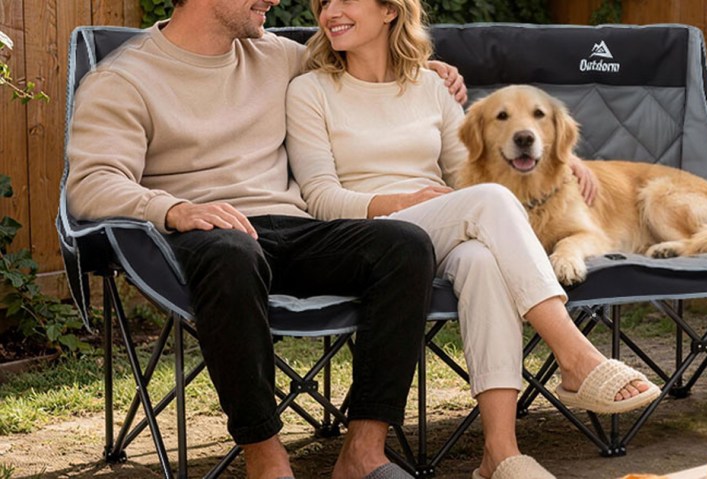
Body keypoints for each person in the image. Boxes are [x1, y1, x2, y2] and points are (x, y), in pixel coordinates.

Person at [65, 1, 467, 478]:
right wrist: (173, 208)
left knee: (405, 244)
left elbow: (361, 60)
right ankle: (267, 460)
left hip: (293, 227)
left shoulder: (278, 56)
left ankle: (364, 453)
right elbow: (90, 184)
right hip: (205, 235)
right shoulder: (124, 79)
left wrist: (424, 73)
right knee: (232, 251)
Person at [284, 0, 662, 478]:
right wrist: (399, 203)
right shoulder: (310, 90)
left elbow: (463, 172)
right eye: (323, 3)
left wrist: (564, 161)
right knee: (488, 202)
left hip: (437, 225)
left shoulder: (431, 87)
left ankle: (499, 454)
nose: (330, 11)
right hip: (364, 235)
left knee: (483, 259)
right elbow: (319, 197)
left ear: (389, 11)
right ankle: (576, 357)